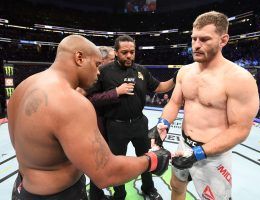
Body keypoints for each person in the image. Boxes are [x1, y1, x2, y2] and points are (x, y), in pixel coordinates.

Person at [7, 35, 171, 200]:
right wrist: (152, 160)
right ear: (79, 58)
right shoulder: (71, 101)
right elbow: (106, 173)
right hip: (60, 194)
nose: (98, 71)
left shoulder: (24, 86)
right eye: (97, 64)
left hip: (24, 188)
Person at [149, 11, 259, 200]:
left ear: (223, 40)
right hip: (184, 143)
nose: (196, 45)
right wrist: (163, 124)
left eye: (205, 39)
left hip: (213, 154)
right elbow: (174, 103)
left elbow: (240, 129)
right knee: (176, 186)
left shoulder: (239, 79)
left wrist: (199, 153)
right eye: (194, 39)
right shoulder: (185, 72)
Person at [93, 35, 175, 200]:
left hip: (139, 123)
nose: (129, 55)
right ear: (116, 52)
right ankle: (119, 193)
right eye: (124, 52)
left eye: (132, 52)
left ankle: (148, 187)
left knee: (146, 157)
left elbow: (159, 87)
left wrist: (176, 79)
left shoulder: (141, 70)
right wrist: (116, 92)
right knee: (117, 163)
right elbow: (92, 98)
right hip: (115, 126)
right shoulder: (103, 72)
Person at [87, 46, 137, 200]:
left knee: (107, 162)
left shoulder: (106, 75)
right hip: (99, 128)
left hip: (110, 126)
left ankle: (105, 194)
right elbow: (90, 99)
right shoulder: (93, 77)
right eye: (111, 60)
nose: (114, 64)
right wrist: (116, 92)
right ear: (102, 62)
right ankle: (105, 195)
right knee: (101, 163)